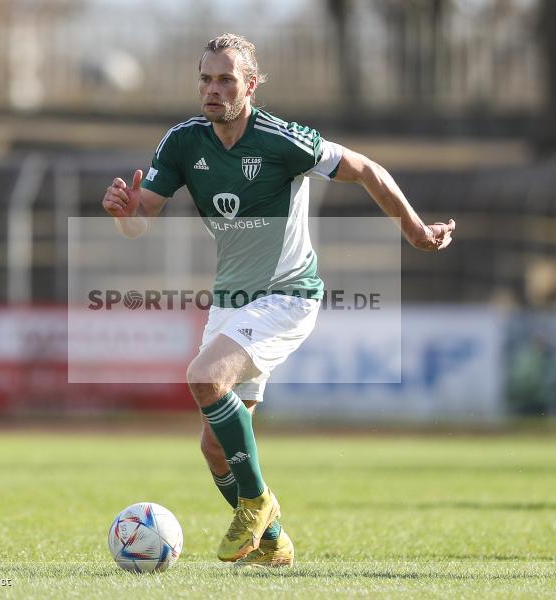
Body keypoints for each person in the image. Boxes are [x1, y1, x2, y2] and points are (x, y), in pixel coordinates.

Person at [102, 33, 455, 568]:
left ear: (251, 84)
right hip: (233, 299)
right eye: (205, 79)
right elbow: (140, 220)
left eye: (225, 79)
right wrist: (125, 213)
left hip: (288, 293)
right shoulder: (183, 142)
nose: (213, 90)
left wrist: (413, 229)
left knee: (204, 379)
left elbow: (365, 169)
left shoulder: (281, 138)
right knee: (214, 449)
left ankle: (257, 502)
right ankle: (273, 542)